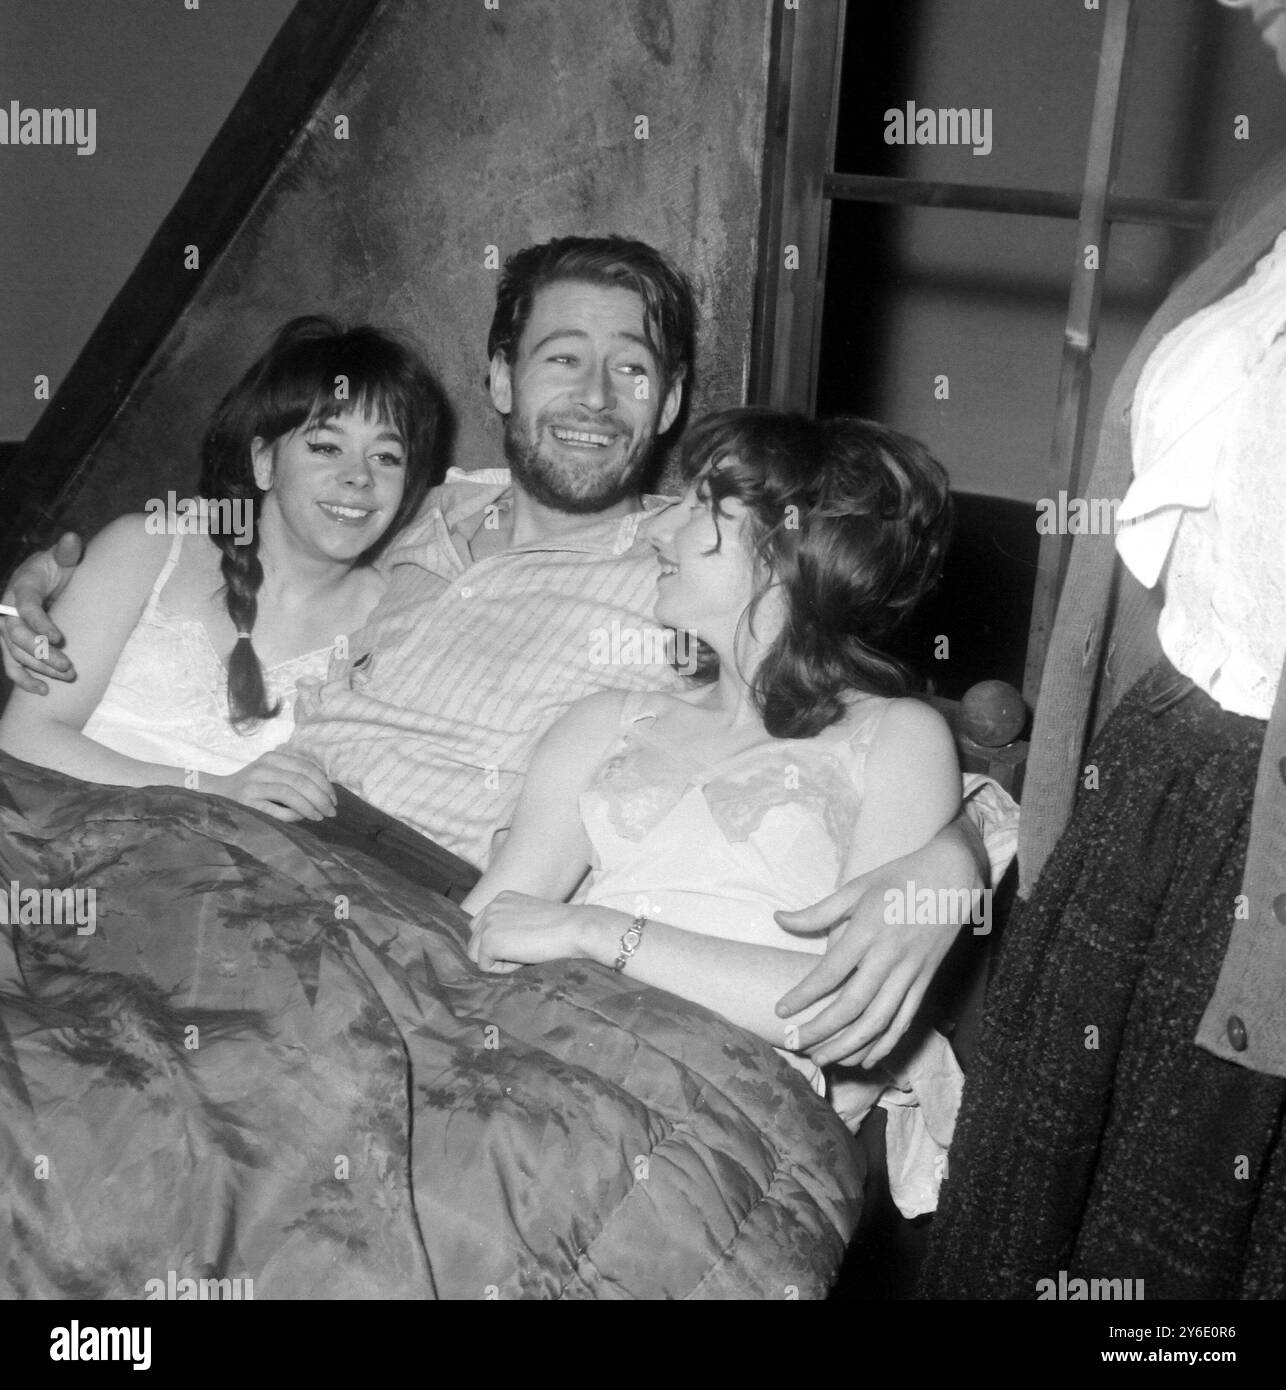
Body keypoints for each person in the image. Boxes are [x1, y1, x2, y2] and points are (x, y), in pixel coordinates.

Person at [0, 235, 1003, 1069]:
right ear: (500, 380)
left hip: (411, 899)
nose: (595, 396)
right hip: (243, 840)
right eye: (562, 357)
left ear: (665, 406)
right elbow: (228, 540)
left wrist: (945, 859)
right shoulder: (397, 503)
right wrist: (40, 574)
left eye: (632, 370)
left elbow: (822, 703)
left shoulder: (690, 563)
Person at [918, 0, 1286, 1300]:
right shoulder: (1273, 189)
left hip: (1269, 849)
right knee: (1021, 1191)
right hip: (1166, 757)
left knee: (1176, 1240)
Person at [464, 406, 967, 1210]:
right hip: (549, 1060)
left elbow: (837, 1008)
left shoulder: (895, 738)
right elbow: (483, 927)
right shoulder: (605, 720)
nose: (659, 529)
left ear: (786, 549)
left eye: (702, 505)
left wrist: (597, 933)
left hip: (718, 1124)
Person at [0, 316, 447, 822]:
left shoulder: (394, 622)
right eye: (326, 447)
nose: (359, 477)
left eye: (387, 457)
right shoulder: (149, 548)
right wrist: (212, 792)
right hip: (39, 841)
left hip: (211, 892)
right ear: (264, 462)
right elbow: (26, 737)